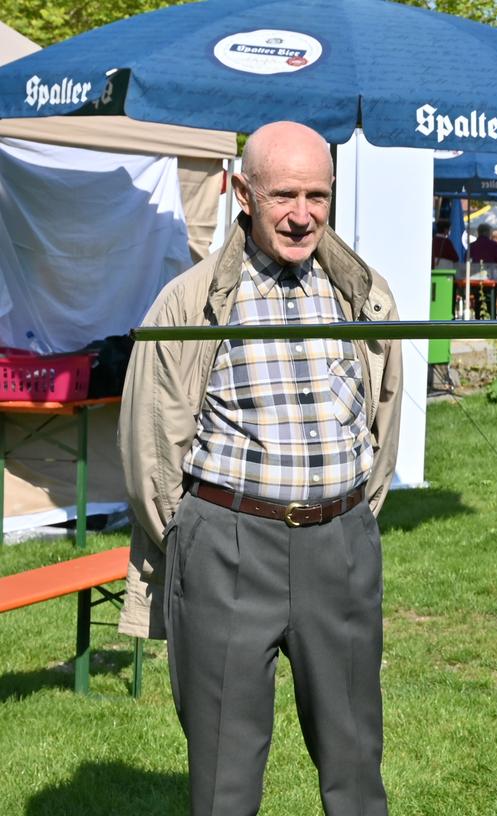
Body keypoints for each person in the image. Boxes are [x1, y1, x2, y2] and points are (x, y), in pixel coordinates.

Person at [118, 121, 402, 815]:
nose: (302, 214)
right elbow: (150, 444)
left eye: (317, 195)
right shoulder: (189, 303)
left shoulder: (363, 294)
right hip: (228, 547)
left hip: (339, 545)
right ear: (242, 192)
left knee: (354, 757)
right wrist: (191, 538)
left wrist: (355, 523)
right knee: (224, 770)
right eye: (283, 195)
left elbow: (384, 413)